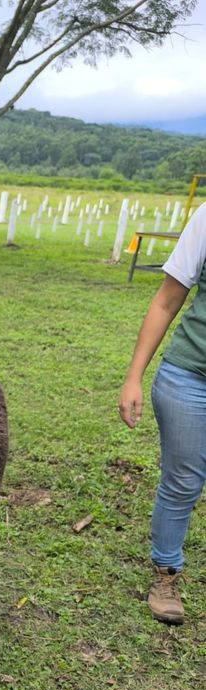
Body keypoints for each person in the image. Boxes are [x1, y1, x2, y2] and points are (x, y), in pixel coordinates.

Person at [119, 202, 206, 625]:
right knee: (184, 481)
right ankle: (166, 570)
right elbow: (166, 302)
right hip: (190, 378)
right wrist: (134, 377)